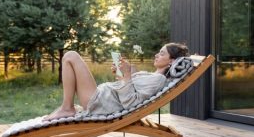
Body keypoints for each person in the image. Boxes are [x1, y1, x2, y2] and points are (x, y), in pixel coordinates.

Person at [42, 42, 189, 121]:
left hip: (99, 102)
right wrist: (122, 73)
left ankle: (67, 107)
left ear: (172, 61)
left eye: (162, 53)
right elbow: (126, 86)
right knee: (71, 57)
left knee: (70, 56)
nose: (157, 55)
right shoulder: (150, 75)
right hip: (101, 96)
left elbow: (130, 103)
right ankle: (66, 107)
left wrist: (126, 74)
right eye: (158, 51)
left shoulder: (158, 79)